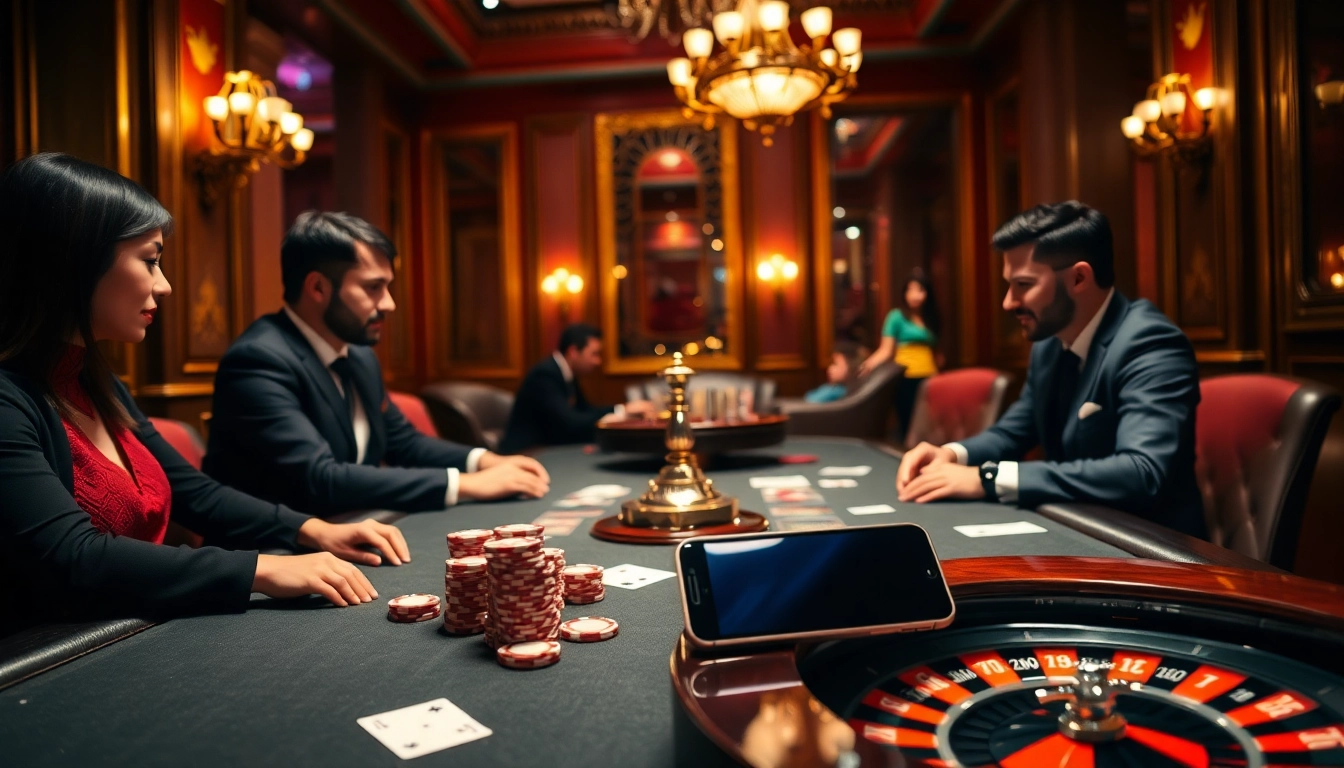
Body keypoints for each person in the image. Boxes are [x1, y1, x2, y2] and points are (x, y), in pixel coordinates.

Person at [0, 154, 412, 634]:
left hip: (140, 626)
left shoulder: (100, 382)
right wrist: (262, 569)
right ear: (75, 260)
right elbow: (72, 556)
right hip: (53, 662)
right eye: (150, 261)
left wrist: (312, 530)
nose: (165, 285)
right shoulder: (9, 400)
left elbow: (194, 493)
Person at [204, 211, 550, 516]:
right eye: (373, 288)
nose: (389, 304)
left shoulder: (359, 356)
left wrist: (484, 460)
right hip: (271, 558)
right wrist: (469, 485)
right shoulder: (258, 360)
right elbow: (319, 477)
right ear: (318, 288)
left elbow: (404, 443)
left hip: (349, 530)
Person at [895, 202, 1205, 539]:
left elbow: (1141, 472)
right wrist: (952, 454)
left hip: (1154, 554)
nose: (1008, 302)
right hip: (1079, 532)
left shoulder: (1150, 343)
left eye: (1024, 285)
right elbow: (1012, 433)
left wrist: (989, 478)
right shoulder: (1049, 345)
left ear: (1078, 278)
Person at [499, 324, 656, 454]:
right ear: (573, 352)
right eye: (594, 354)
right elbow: (570, 423)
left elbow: (585, 411)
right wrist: (622, 411)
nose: (598, 361)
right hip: (526, 453)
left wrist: (621, 411)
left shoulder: (567, 373)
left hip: (550, 449)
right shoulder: (545, 374)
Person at [858, 271, 941, 441]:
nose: (914, 295)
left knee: (929, 424)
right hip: (906, 377)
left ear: (927, 293)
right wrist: (869, 364)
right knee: (907, 423)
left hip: (930, 377)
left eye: (920, 290)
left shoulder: (931, 318)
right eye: (910, 290)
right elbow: (886, 350)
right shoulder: (897, 316)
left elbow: (936, 352)